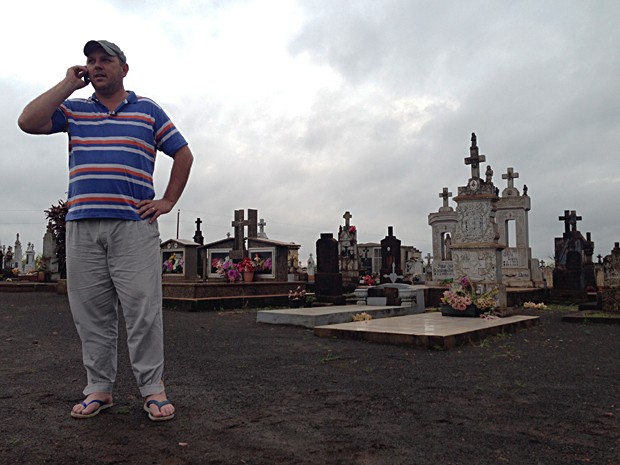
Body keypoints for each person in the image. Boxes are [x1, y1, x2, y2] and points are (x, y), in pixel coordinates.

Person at [18, 40, 194, 421]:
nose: (97, 66)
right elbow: (27, 122)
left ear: (124, 69)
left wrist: (167, 201)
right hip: (83, 224)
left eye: (105, 60)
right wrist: (68, 84)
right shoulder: (75, 110)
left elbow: (183, 153)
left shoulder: (146, 110)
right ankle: (99, 388)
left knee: (142, 311)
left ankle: (153, 389)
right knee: (91, 313)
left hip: (133, 225)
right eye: (91, 61)